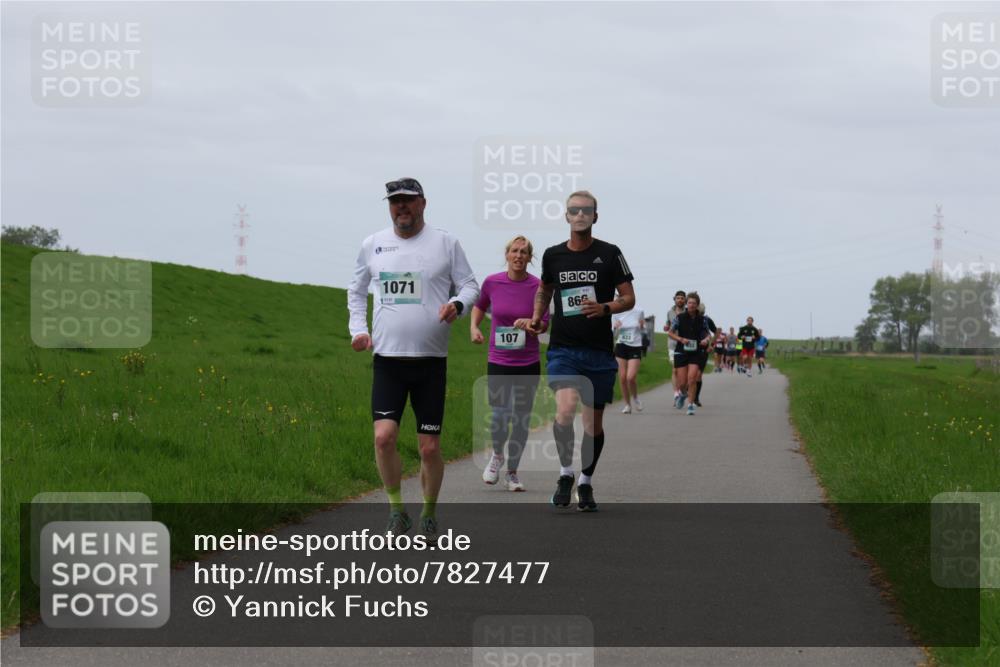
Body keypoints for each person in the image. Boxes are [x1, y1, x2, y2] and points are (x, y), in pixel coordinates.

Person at [347, 178, 479, 541]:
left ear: (423, 203)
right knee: (384, 438)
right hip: (388, 359)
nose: (400, 207)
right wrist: (357, 329)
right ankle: (396, 510)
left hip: (430, 361)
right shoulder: (373, 245)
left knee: (429, 446)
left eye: (407, 200)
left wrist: (457, 304)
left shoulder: (445, 243)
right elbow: (356, 291)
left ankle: (430, 512)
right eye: (394, 202)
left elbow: (470, 285)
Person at [528, 190, 635, 512]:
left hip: (599, 352)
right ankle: (565, 474)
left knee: (593, 426)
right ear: (566, 216)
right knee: (564, 411)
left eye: (586, 210)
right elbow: (544, 289)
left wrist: (604, 307)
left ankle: (585, 481)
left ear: (595, 216)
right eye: (574, 210)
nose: (580, 215)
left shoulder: (611, 253)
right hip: (564, 348)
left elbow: (628, 298)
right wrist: (537, 316)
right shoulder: (553, 255)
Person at [471, 236, 549, 492]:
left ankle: (513, 473)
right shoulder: (493, 282)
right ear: (507, 255)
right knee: (501, 415)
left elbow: (544, 324)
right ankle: (497, 456)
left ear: (530, 258)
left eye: (524, 252)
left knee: (522, 419)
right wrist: (474, 327)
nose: (519, 256)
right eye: (514, 251)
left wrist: (531, 323)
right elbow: (480, 306)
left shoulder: (539, 287)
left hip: (528, 361)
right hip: (499, 359)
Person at [667, 292, 712, 415]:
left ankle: (691, 405)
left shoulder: (703, 319)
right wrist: (681, 339)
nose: (691, 305)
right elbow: (670, 333)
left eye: (694, 303)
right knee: (682, 383)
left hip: (695, 352)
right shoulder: (680, 317)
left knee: (692, 379)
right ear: (687, 304)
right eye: (689, 302)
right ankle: (682, 394)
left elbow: (708, 334)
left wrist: (705, 340)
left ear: (697, 305)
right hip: (681, 351)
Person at [613, 304, 645, 414]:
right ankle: (627, 405)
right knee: (622, 378)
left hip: (635, 346)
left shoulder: (639, 311)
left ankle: (635, 398)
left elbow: (643, 330)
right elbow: (614, 333)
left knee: (630, 377)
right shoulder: (616, 312)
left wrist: (641, 326)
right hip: (621, 345)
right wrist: (615, 327)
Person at [662, 291, 686, 403]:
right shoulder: (670, 312)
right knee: (675, 369)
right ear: (674, 299)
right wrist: (666, 327)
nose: (680, 300)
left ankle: (682, 389)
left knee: (684, 371)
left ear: (685, 300)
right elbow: (668, 324)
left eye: (682, 298)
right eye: (678, 298)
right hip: (672, 344)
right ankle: (676, 392)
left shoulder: (689, 312)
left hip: (686, 344)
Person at [692, 303, 718, 407]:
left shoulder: (707, 320)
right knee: (689, 375)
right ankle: (688, 391)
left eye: (700, 312)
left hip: (703, 349)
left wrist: (712, 344)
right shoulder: (687, 318)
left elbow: (716, 332)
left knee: (698, 375)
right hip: (690, 348)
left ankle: (696, 398)